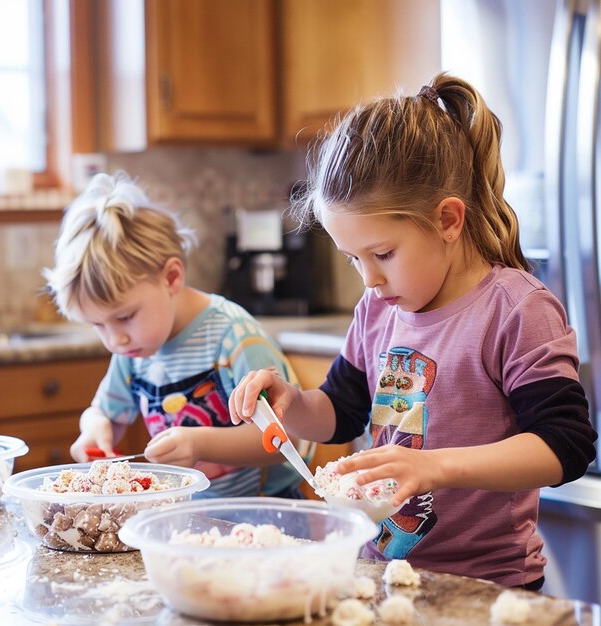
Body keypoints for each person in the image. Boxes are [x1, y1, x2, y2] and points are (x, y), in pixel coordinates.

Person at [229, 73, 598, 588]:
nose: (370, 278)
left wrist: (434, 467)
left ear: (448, 220)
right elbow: (341, 412)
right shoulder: (377, 310)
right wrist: (291, 404)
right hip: (382, 577)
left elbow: (565, 445)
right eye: (353, 259)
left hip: (488, 588)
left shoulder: (514, 310)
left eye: (382, 254)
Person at [43, 170, 307, 499]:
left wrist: (199, 443)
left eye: (125, 317)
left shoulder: (232, 338)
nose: (115, 340)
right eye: (97, 325)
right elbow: (102, 411)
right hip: (184, 512)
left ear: (170, 278)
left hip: (265, 511)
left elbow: (286, 439)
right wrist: (94, 429)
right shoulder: (133, 349)